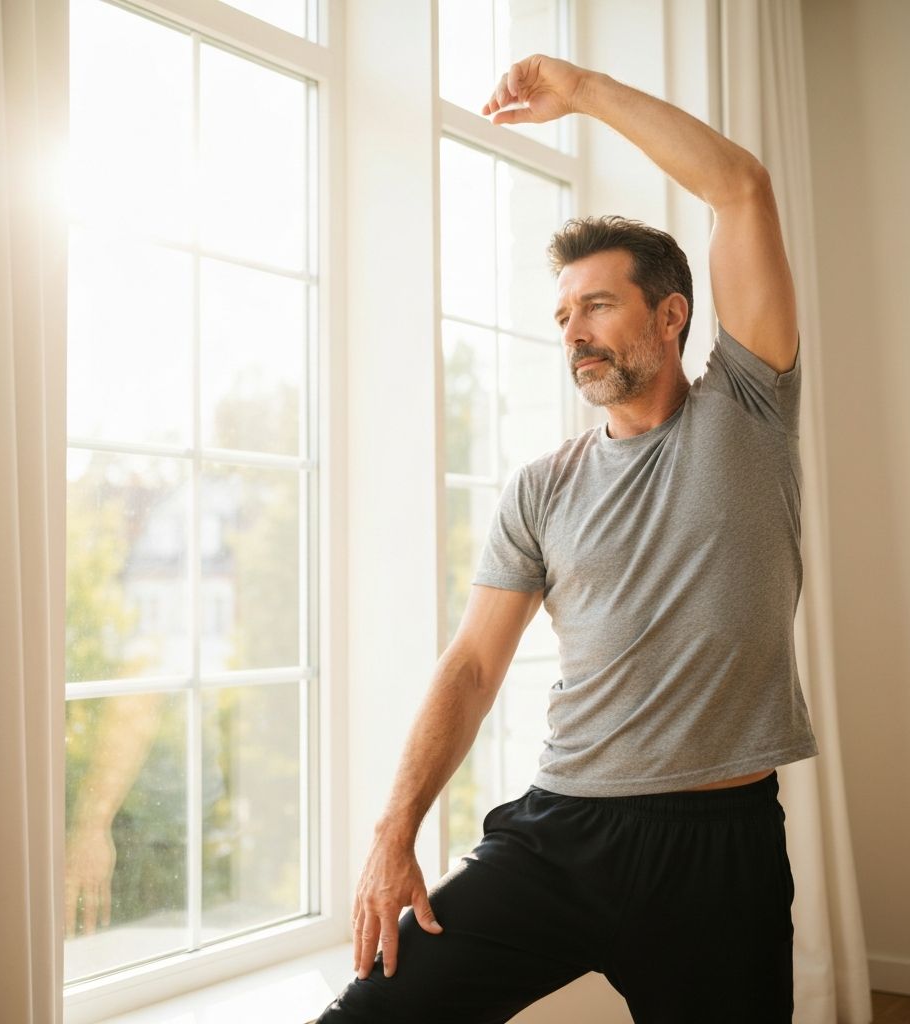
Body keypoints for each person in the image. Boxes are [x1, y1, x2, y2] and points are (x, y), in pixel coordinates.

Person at [315, 52, 817, 1023]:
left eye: (596, 305)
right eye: (561, 315)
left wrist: (581, 92)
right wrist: (393, 830)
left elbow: (740, 188)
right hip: (559, 835)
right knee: (367, 1017)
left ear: (671, 316)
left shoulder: (748, 409)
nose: (574, 332)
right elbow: (469, 667)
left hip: (717, 848)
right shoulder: (541, 487)